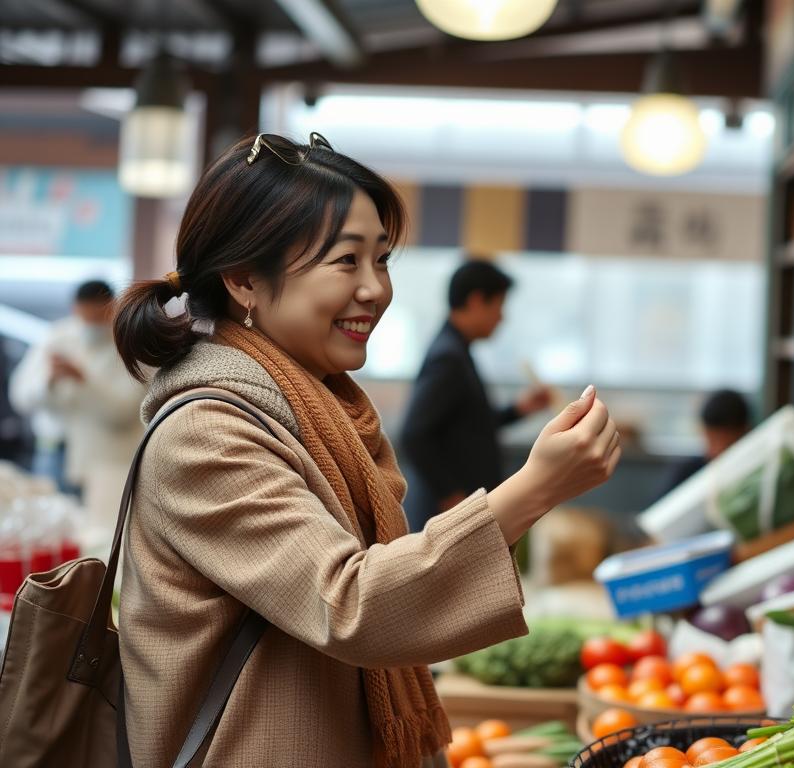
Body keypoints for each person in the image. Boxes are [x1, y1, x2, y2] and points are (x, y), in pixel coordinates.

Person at [112, 132, 621, 767]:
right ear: (244, 278)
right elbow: (351, 605)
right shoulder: (206, 434)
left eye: (381, 259)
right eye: (345, 261)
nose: (375, 289)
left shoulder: (317, 410)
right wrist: (534, 488)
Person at [399, 260, 554, 532]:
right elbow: (414, 434)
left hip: (455, 511)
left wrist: (520, 409)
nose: (501, 317)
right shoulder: (448, 358)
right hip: (443, 515)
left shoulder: (457, 350)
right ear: (476, 300)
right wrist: (450, 494)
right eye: (499, 306)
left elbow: (470, 426)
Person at [10, 280, 145, 527]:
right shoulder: (57, 337)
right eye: (86, 316)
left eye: (97, 317)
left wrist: (84, 380)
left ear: (111, 307)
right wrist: (48, 380)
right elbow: (20, 396)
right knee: (48, 527)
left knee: (98, 530)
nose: (91, 324)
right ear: (75, 309)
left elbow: (124, 412)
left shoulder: (127, 343)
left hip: (103, 461)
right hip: (51, 453)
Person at [657, 389, 751, 497]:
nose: (716, 450)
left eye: (725, 442)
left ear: (745, 433)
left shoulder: (752, 475)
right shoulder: (687, 472)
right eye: (711, 441)